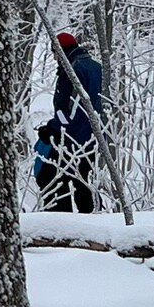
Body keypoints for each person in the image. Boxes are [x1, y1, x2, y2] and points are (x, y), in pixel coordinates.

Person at [33, 31, 101, 213]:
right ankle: (94, 224)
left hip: (70, 140)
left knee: (50, 182)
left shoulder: (71, 70)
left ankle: (59, 229)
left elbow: (68, 111)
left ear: (60, 51)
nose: (55, 59)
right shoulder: (97, 68)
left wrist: (52, 129)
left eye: (55, 53)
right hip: (93, 140)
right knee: (85, 186)